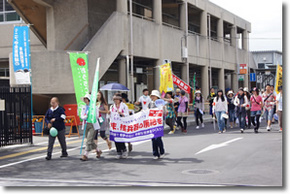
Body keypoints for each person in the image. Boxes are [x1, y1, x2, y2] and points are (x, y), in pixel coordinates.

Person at [80, 94, 101, 161]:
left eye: (86, 99)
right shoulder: (83, 107)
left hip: (92, 125)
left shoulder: (94, 107)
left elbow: (97, 116)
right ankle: (98, 150)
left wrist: (91, 115)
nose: (85, 100)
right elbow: (81, 115)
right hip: (86, 124)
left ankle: (85, 155)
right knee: (90, 140)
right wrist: (85, 116)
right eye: (84, 99)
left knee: (89, 140)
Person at [109, 93, 129, 159]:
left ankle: (124, 150)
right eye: (115, 99)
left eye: (117, 99)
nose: (116, 101)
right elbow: (109, 116)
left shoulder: (124, 106)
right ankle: (118, 152)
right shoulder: (112, 106)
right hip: (114, 125)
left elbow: (127, 115)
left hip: (121, 124)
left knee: (121, 138)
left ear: (120, 100)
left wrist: (122, 114)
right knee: (115, 138)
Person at [148, 90, 165, 159]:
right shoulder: (150, 104)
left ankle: (161, 151)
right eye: (152, 96)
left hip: (159, 123)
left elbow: (164, 113)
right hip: (152, 122)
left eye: (154, 96)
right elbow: (147, 111)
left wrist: (163, 109)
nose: (153, 98)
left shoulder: (161, 103)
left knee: (158, 138)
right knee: (153, 138)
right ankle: (155, 153)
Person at [94, 91, 112, 158]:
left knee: (102, 134)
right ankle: (97, 150)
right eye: (96, 95)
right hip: (96, 120)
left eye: (98, 95)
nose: (97, 97)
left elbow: (107, 111)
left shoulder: (104, 103)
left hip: (103, 119)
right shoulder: (95, 103)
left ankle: (108, 141)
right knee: (94, 134)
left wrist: (99, 111)